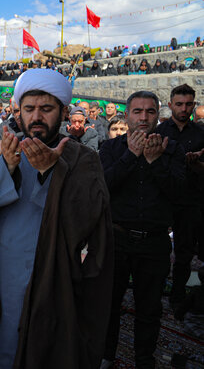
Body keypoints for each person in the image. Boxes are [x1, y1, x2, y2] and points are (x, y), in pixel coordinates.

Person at [0, 68, 114, 368]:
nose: (37, 116)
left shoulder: (81, 158)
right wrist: (6, 169)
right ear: (18, 113)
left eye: (46, 109)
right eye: (29, 109)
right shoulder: (1, 150)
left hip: (51, 275)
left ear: (63, 112)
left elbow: (88, 220)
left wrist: (51, 172)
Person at [100, 90, 185, 369]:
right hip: (117, 239)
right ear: (127, 115)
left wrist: (154, 161)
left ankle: (144, 359)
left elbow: (179, 195)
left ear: (158, 116)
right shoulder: (111, 148)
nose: (143, 117)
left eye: (150, 112)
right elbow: (102, 188)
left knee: (149, 308)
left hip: (154, 243)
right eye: (137, 111)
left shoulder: (171, 149)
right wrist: (131, 156)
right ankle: (105, 354)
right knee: (109, 304)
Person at [156, 84, 204, 309]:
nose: (184, 109)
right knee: (157, 249)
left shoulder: (201, 133)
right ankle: (155, 289)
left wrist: (197, 163)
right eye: (179, 104)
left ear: (193, 105)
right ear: (170, 105)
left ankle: (177, 295)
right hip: (162, 199)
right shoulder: (159, 133)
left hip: (191, 200)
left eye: (188, 104)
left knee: (184, 251)